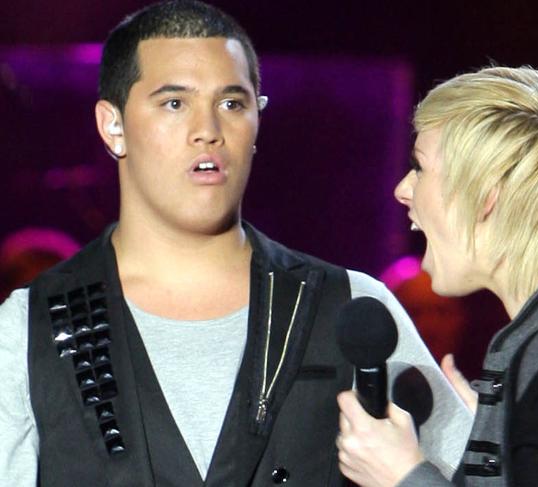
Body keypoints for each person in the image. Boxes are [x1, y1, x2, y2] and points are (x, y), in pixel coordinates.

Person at [0, 1, 472, 485]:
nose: (208, 131)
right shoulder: (27, 328)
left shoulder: (352, 308)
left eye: (232, 103)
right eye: (174, 103)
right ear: (113, 125)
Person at [337, 66, 538, 486]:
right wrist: (501, 431)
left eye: (421, 168)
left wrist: (403, 476)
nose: (402, 189)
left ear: (486, 197)